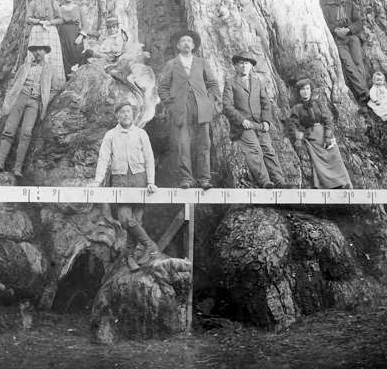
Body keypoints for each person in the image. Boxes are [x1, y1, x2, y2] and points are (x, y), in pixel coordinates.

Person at [93, 102, 159, 271]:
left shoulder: (141, 134)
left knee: (137, 221)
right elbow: (103, 158)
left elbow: (149, 158)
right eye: (122, 112)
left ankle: (130, 258)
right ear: (117, 116)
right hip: (120, 180)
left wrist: (151, 182)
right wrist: (97, 181)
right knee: (124, 219)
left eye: (128, 111)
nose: (126, 115)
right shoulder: (110, 135)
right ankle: (150, 245)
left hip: (140, 179)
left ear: (133, 114)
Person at [157, 30, 220, 189]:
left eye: (189, 41)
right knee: (182, 144)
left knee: (203, 143)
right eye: (183, 41)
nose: (186, 43)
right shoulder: (171, 64)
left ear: (193, 46)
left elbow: (212, 84)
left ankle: (204, 179)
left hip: (200, 106)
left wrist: (209, 101)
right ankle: (186, 179)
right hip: (180, 108)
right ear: (178, 45)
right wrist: (170, 105)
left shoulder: (201, 62)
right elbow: (163, 87)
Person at [222, 53, 287, 189]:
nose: (244, 66)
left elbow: (265, 104)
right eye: (241, 63)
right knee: (254, 149)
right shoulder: (230, 82)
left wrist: (266, 121)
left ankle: (280, 181)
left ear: (251, 66)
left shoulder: (257, 82)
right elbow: (227, 106)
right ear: (235, 66)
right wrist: (241, 120)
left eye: (247, 63)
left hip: (259, 124)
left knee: (268, 150)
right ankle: (265, 182)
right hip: (243, 126)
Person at [0, 44, 58, 178]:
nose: (37, 53)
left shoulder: (50, 69)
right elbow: (13, 83)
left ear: (45, 52)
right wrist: (9, 98)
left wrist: (44, 100)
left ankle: (17, 168)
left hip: (35, 102)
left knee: (26, 133)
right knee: (9, 129)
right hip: (19, 98)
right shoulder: (25, 67)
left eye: (40, 50)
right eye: (35, 50)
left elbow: (54, 88)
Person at [289, 79, 352, 189]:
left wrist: (328, 135)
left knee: (334, 155)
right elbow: (294, 125)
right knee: (318, 161)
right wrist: (298, 138)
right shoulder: (296, 108)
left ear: (311, 90)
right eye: (302, 89)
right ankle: (330, 185)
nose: (305, 91)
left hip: (323, 134)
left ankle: (342, 183)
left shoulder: (318, 103)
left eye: (307, 89)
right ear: (299, 92)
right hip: (311, 137)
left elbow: (328, 120)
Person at [322, 0, 370, 103]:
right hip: (339, 40)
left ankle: (362, 93)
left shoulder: (351, 7)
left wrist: (348, 30)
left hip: (352, 37)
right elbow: (324, 23)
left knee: (359, 63)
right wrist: (336, 30)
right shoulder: (328, 7)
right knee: (348, 64)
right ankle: (364, 92)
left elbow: (359, 23)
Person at [25, 0, 66, 85]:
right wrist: (38, 21)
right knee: (38, 54)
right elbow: (27, 19)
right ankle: (35, 81)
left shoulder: (53, 2)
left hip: (50, 31)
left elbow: (61, 19)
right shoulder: (33, 3)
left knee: (51, 55)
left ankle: (54, 82)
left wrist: (50, 22)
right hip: (37, 30)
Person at [55, 0, 87, 73]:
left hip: (75, 34)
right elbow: (57, 22)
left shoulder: (79, 8)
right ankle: (67, 76)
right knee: (64, 54)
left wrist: (81, 36)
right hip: (62, 34)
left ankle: (78, 73)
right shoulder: (60, 9)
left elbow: (85, 25)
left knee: (77, 53)